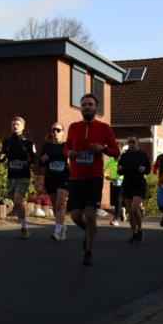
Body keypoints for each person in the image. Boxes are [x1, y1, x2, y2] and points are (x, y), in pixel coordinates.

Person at [63, 94, 120, 266]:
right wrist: (69, 153)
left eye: (90, 104)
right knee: (75, 215)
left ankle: (88, 251)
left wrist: (102, 148)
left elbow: (116, 151)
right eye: (84, 105)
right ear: (81, 108)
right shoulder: (73, 127)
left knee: (90, 213)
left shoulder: (104, 128)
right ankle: (91, 231)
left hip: (94, 176)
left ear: (96, 108)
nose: (86, 107)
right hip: (76, 176)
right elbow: (66, 147)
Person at [0, 117, 37, 239]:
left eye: (17, 124)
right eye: (13, 124)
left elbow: (34, 157)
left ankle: (24, 228)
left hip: (23, 176)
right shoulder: (7, 142)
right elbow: (1, 157)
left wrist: (28, 162)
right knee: (15, 201)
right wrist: (1, 157)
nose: (15, 126)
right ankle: (22, 217)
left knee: (18, 200)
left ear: (23, 127)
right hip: (11, 176)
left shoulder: (28, 142)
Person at [39, 122, 70, 242]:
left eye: (58, 130)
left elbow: (73, 161)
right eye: (53, 130)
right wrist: (43, 160)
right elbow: (41, 163)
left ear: (63, 132)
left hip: (64, 178)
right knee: (55, 205)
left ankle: (57, 232)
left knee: (60, 204)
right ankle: (62, 227)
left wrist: (70, 165)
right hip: (51, 178)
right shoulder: (47, 147)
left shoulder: (67, 146)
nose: (55, 132)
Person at [118, 136, 151, 243]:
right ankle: (134, 232)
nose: (131, 144)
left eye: (133, 142)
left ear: (138, 143)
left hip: (139, 184)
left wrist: (144, 169)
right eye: (129, 142)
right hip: (127, 184)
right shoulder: (124, 155)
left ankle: (140, 230)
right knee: (130, 211)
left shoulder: (143, 155)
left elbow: (149, 170)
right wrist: (120, 169)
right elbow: (120, 170)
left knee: (134, 208)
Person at [104, 154, 125, 226]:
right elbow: (103, 169)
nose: (117, 158)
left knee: (119, 200)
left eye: (118, 156)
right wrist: (106, 176)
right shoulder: (111, 161)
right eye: (116, 156)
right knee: (115, 201)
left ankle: (116, 219)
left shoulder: (124, 161)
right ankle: (121, 210)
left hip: (122, 181)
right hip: (114, 182)